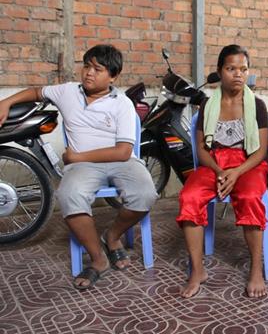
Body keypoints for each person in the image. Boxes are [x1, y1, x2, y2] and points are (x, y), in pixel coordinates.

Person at [0, 44, 158, 290]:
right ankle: (98, 259)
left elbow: (124, 151)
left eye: (98, 69)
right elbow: (36, 92)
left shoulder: (122, 103)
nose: (89, 73)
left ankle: (112, 236)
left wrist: (78, 156)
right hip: (84, 168)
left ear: (113, 76)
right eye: (86, 66)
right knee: (69, 195)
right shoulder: (68, 92)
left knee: (146, 194)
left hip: (120, 162)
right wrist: (7, 102)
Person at [177, 45, 268, 298]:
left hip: (248, 163)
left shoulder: (257, 106)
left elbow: (260, 152)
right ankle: (197, 270)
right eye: (231, 68)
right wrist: (220, 171)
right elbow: (201, 150)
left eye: (243, 69)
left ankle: (255, 269)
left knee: (251, 198)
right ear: (220, 71)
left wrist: (237, 172)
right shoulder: (208, 105)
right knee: (189, 197)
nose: (238, 74)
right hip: (214, 162)